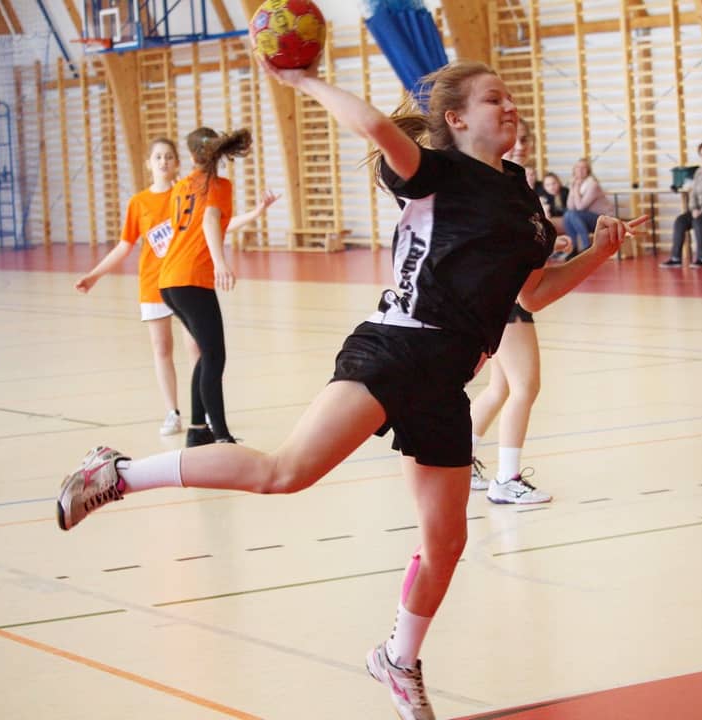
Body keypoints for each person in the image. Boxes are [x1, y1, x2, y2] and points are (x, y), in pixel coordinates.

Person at [55, 59, 646, 720]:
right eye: (493, 99)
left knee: (446, 542)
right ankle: (118, 473)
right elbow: (373, 126)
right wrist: (302, 80)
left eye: (510, 97)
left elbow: (531, 293)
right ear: (456, 119)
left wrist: (597, 255)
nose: (509, 106)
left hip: (447, 377)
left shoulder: (524, 201)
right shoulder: (436, 172)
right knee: (286, 472)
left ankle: (398, 659)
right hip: (397, 346)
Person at [74, 138, 279, 437]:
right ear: (148, 163)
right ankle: (175, 413)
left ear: (179, 161)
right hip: (157, 282)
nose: (163, 161)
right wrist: (94, 275)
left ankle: (204, 417)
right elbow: (125, 246)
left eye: (169, 156)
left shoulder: (185, 190)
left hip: (182, 280)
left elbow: (215, 222)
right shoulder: (141, 202)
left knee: (199, 349)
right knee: (164, 348)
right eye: (158, 157)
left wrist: (254, 214)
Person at [469, 122, 572, 506]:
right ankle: (506, 479)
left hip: (502, 290)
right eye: (513, 137)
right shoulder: (492, 183)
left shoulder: (515, 183)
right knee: (526, 387)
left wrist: (548, 244)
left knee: (501, 388)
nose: (519, 144)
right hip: (504, 294)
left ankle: (461, 463)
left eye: (525, 138)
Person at [160, 127, 253, 447]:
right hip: (192, 279)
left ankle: (198, 429)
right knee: (214, 355)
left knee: (206, 354)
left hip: (169, 281)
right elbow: (210, 220)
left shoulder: (180, 187)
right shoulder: (218, 185)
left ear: (190, 156)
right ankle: (222, 436)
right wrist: (219, 262)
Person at [563, 157, 615, 255]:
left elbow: (580, 207)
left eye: (584, 168)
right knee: (567, 214)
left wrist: (576, 188)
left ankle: (586, 247)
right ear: (574, 170)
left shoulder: (592, 185)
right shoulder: (577, 184)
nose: (580, 170)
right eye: (578, 168)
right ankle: (574, 248)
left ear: (588, 171)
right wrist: (573, 188)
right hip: (588, 219)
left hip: (603, 219)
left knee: (572, 214)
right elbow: (570, 207)